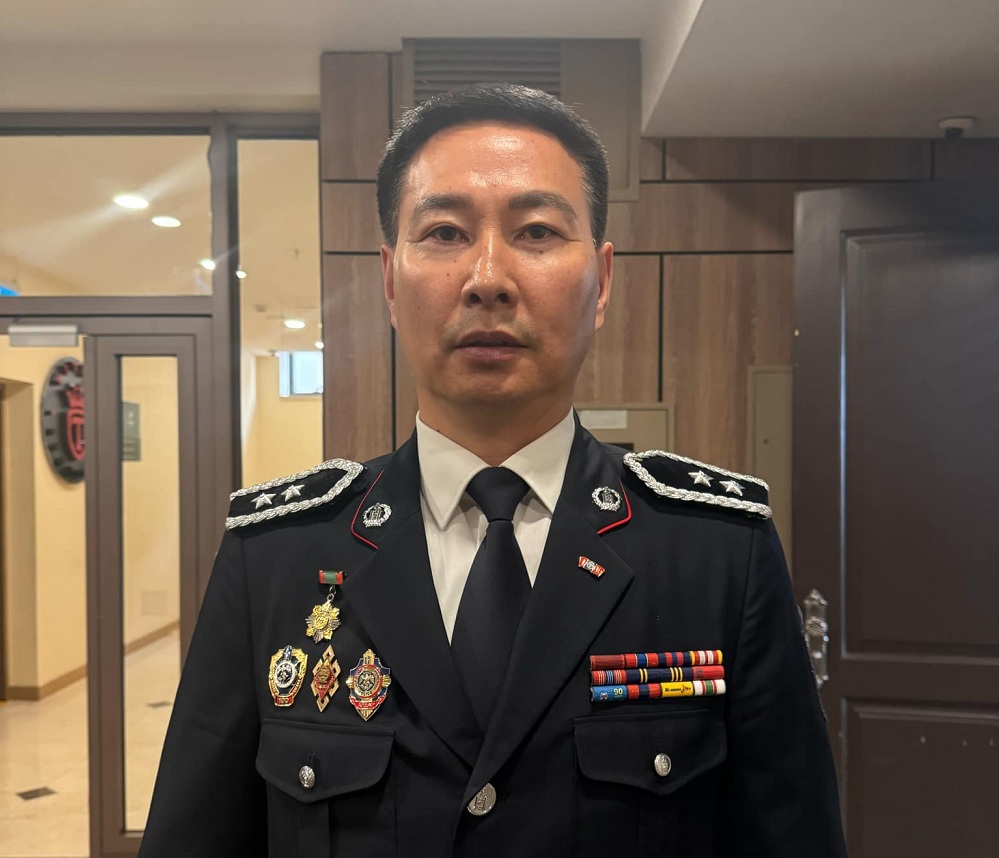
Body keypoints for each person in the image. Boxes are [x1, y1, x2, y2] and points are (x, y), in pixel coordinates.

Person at [138, 83, 847, 858]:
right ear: (389, 281)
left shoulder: (716, 552)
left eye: (536, 231)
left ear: (601, 282)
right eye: (444, 232)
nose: (487, 278)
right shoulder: (275, 555)